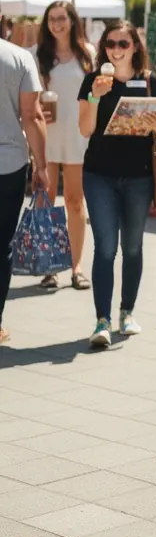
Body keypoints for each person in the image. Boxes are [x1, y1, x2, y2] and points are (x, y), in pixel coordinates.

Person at [78, 20, 156, 349]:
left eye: (123, 44)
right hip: (99, 174)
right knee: (105, 247)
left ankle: (127, 312)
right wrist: (95, 96)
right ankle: (102, 320)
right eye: (110, 44)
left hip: (139, 176)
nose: (116, 50)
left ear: (135, 48)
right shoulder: (93, 81)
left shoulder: (150, 82)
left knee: (132, 246)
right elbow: (85, 129)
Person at [33, 0, 94, 290]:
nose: (56, 24)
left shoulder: (88, 54)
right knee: (46, 202)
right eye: (51, 19)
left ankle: (76, 265)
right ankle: (49, 266)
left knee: (74, 200)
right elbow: (28, 97)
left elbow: (96, 96)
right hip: (46, 135)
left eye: (61, 18)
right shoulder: (37, 55)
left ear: (72, 21)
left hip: (78, 136)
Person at [0, 38, 48, 345]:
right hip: (8, 164)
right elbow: (32, 115)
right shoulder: (18, 57)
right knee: (1, 244)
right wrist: (41, 166)